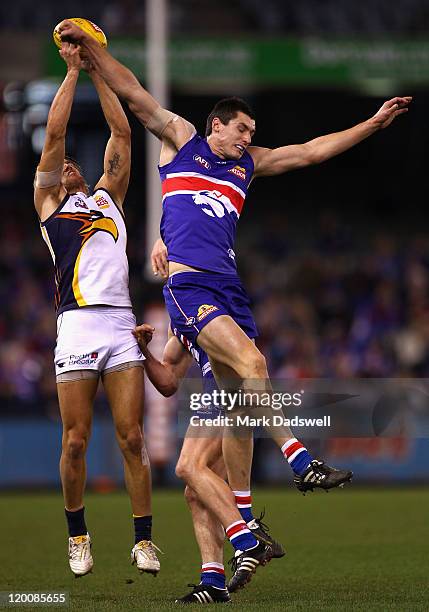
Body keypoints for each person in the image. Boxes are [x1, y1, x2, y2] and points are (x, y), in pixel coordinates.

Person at [57, 18, 411, 593]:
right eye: (242, 128)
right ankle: (300, 461)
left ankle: (228, 558)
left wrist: (371, 123)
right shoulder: (183, 141)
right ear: (215, 125)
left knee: (225, 429)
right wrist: (94, 56)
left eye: (252, 131)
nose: (248, 137)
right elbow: (136, 95)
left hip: (230, 292)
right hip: (192, 287)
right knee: (253, 369)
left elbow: (313, 151)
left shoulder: (248, 165)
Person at [33, 43, 160, 577]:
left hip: (119, 321)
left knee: (132, 437)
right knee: (76, 439)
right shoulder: (49, 206)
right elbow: (55, 135)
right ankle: (78, 535)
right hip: (78, 323)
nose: (66, 165)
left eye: (70, 165)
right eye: (58, 166)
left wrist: (98, 71)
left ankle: (143, 541)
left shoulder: (108, 195)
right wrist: (69, 73)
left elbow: (124, 135)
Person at [133, 322, 285, 602]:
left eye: (164, 272)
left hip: (230, 391)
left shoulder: (205, 296)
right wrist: (143, 352)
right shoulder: (178, 316)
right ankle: (214, 581)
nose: (162, 273)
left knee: (187, 466)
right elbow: (168, 382)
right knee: (195, 493)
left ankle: (247, 539)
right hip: (211, 395)